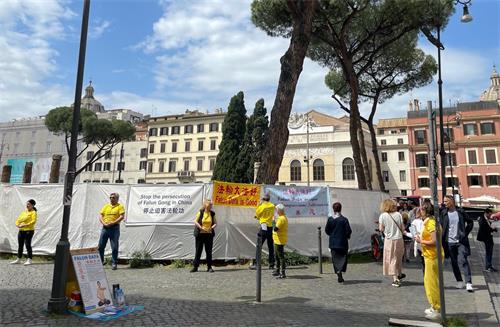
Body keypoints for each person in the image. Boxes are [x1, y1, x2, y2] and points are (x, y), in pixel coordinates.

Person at [415, 202, 445, 321]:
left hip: (432, 256)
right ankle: (434, 306)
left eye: (421, 210)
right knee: (429, 281)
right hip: (430, 255)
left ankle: (437, 308)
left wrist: (420, 240)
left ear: (425, 211)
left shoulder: (431, 222)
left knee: (431, 282)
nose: (419, 212)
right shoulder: (429, 222)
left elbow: (434, 241)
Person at [441, 195, 474, 292]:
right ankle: (459, 281)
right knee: (454, 262)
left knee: (463, 260)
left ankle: (468, 283)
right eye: (444, 201)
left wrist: (465, 234)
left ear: (451, 201)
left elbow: (470, 222)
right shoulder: (443, 213)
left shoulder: (460, 212)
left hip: (460, 241)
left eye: (446, 201)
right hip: (449, 242)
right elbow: (440, 226)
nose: (444, 203)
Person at [379, 199, 406, 287]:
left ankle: (395, 279)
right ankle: (399, 273)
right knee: (398, 257)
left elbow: (381, 229)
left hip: (390, 240)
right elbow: (402, 228)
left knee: (391, 259)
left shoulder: (383, 216)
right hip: (399, 239)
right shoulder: (398, 214)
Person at [325, 202, 352, 283]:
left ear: (333, 209)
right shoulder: (344, 220)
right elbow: (348, 231)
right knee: (343, 258)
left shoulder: (330, 219)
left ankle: (338, 272)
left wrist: (332, 235)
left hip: (333, 243)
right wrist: (347, 236)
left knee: (335, 259)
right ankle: (340, 270)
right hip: (342, 243)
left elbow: (327, 230)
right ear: (341, 208)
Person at [98, 192, 125, 270]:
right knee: (100, 246)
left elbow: (122, 216)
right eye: (110, 197)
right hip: (105, 228)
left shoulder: (120, 206)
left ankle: (114, 263)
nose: (111, 199)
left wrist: (113, 222)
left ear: (117, 198)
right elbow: (100, 216)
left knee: (114, 247)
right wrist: (103, 223)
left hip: (114, 228)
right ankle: (101, 262)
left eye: (113, 197)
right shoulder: (106, 206)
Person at [250, 193, 275, 270]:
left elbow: (257, 215)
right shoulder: (272, 206)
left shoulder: (262, 206)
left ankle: (257, 264)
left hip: (263, 227)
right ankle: (271, 264)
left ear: (263, 199)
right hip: (270, 227)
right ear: (269, 199)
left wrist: (258, 206)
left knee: (259, 246)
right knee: (271, 247)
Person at [191, 200, 217, 273]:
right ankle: (195, 267)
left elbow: (215, 223)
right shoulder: (200, 212)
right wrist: (201, 227)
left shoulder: (212, 213)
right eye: (210, 205)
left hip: (209, 234)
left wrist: (211, 228)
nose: (211, 206)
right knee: (198, 250)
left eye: (211, 205)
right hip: (200, 234)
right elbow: (195, 221)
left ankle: (209, 267)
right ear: (205, 205)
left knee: (209, 251)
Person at [11, 199, 37, 265]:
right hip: (21, 231)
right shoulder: (24, 212)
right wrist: (17, 224)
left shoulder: (33, 212)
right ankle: (18, 259)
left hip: (29, 231)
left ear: (32, 205)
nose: (27, 205)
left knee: (28, 245)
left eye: (29, 204)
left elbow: (33, 221)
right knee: (20, 245)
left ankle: (29, 259)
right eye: (27, 204)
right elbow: (18, 219)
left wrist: (25, 224)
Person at [272, 204, 288, 279]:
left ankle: (283, 272)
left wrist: (273, 221)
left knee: (280, 256)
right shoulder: (282, 217)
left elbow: (276, 229)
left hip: (279, 240)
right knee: (277, 255)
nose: (276, 211)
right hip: (277, 240)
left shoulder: (281, 219)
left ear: (279, 210)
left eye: (277, 210)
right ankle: (277, 270)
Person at [411, 207, 425, 274]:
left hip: (420, 241)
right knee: (424, 261)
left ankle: (425, 276)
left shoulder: (414, 222)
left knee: (423, 261)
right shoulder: (424, 220)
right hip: (423, 241)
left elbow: (413, 234)